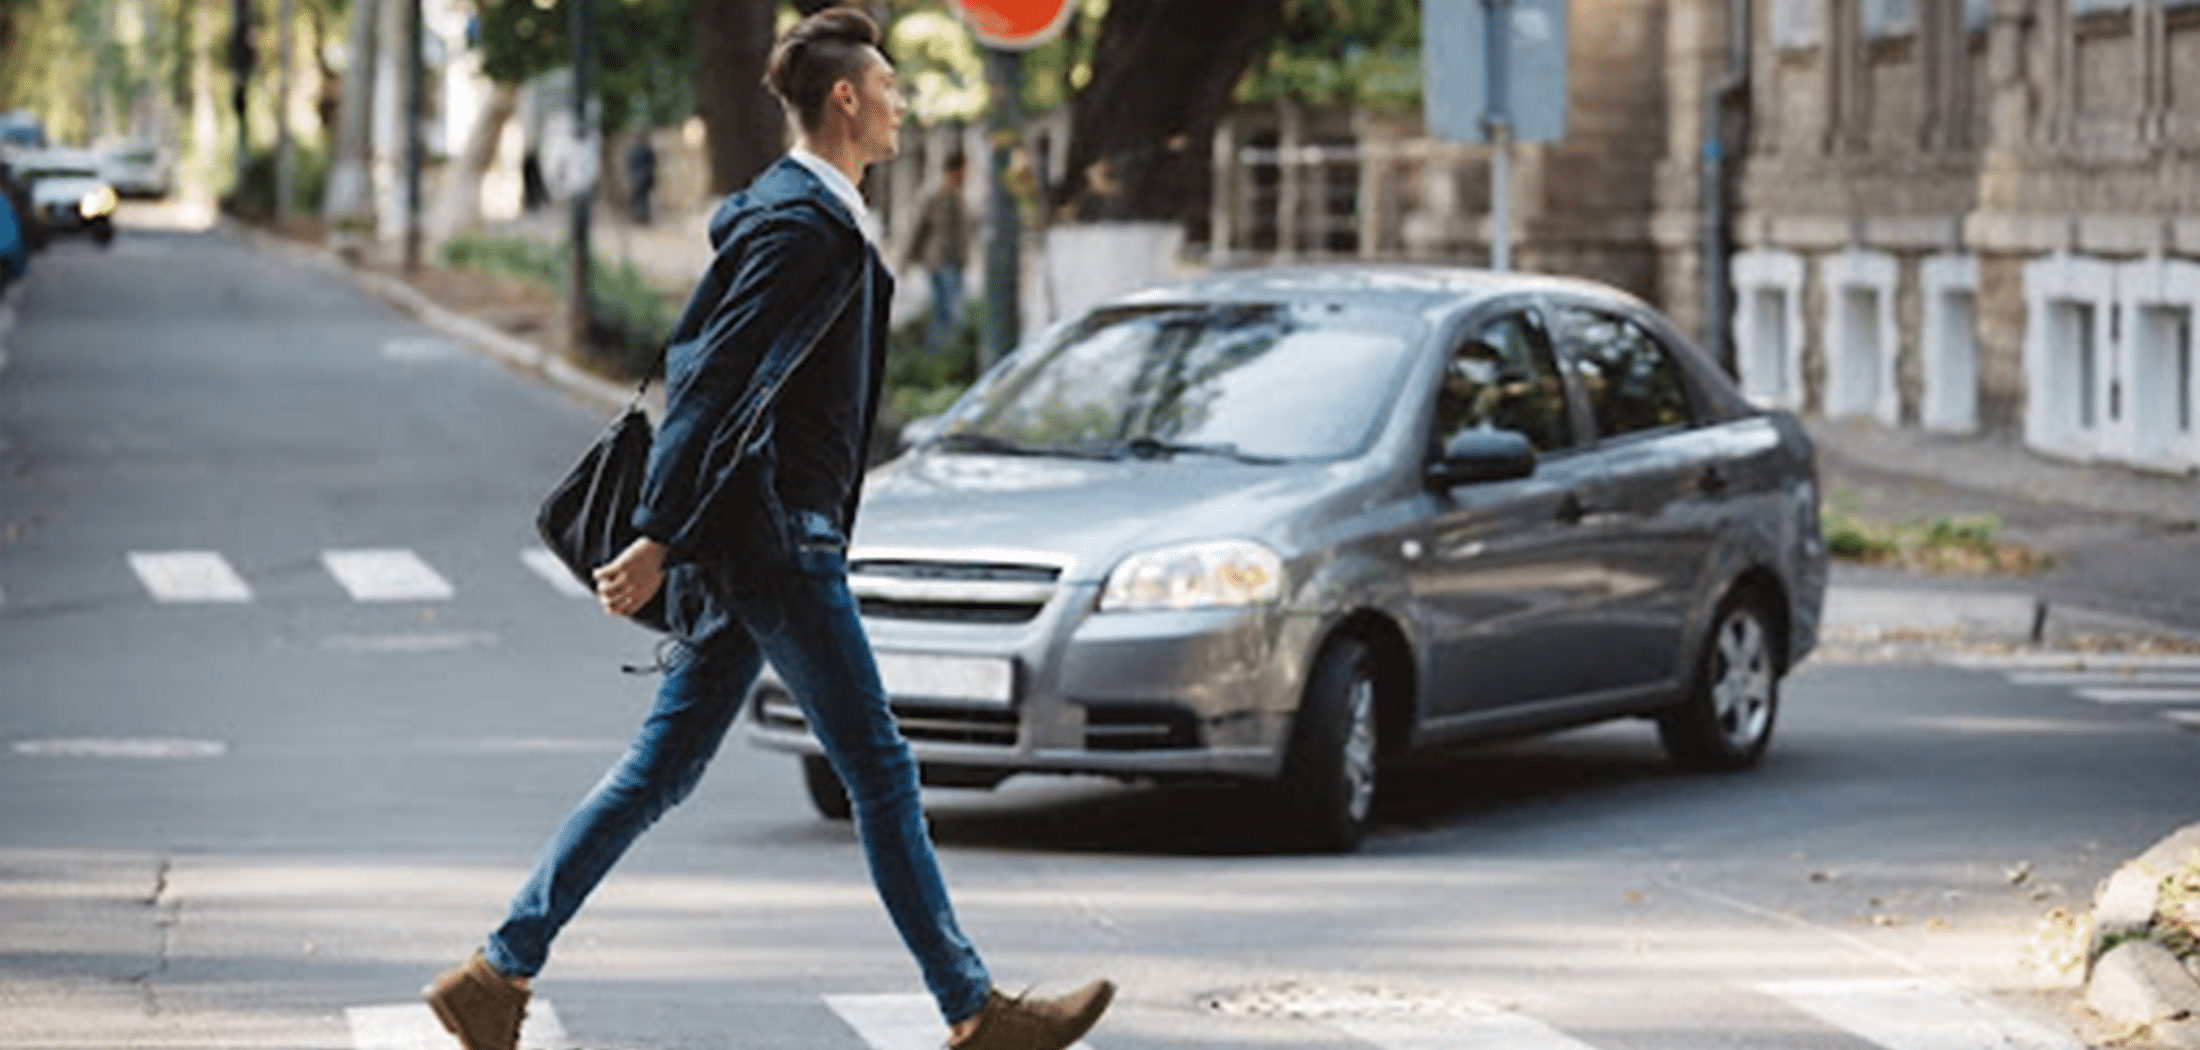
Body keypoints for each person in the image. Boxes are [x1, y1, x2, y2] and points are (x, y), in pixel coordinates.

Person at [418, 10, 1115, 1050]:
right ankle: (971, 1007)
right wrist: (657, 534)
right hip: (781, 540)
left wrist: (682, 534)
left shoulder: (806, 211)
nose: (900, 101)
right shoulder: (800, 225)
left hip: (758, 535)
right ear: (846, 99)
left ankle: (496, 973)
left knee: (661, 771)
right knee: (879, 771)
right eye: (887, 84)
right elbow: (713, 385)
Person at [903, 150, 967, 350]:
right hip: (939, 261)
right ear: (955, 171)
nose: (967, 175)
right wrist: (906, 259)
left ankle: (942, 353)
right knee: (947, 311)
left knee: (946, 310)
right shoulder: (935, 195)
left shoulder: (957, 196)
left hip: (954, 261)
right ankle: (938, 354)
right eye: (964, 171)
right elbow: (919, 228)